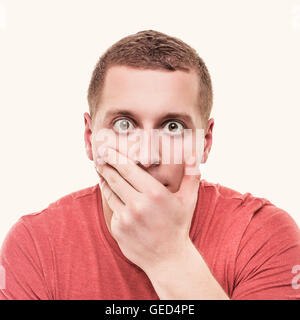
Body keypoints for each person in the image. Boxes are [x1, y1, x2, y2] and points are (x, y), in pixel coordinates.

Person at [1, 30, 300, 300]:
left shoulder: (264, 236)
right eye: (123, 124)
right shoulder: (35, 245)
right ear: (90, 137)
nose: (146, 157)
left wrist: (170, 258)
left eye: (172, 127)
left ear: (205, 142)